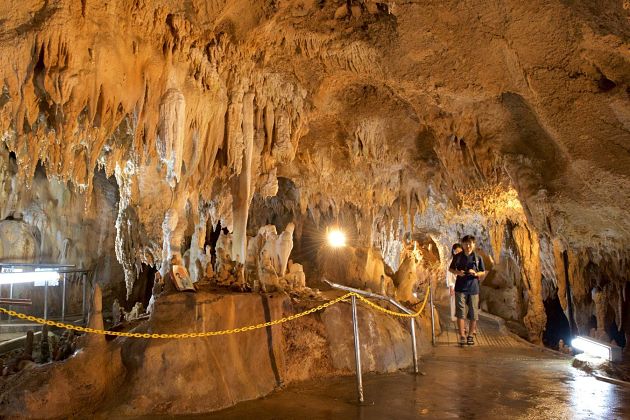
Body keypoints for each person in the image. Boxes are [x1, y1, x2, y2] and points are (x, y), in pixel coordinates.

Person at [448, 235, 486, 346]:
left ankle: (470, 336)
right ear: (463, 244)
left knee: (473, 313)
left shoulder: (478, 258)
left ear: (474, 244)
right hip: (460, 288)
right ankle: (462, 336)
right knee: (460, 313)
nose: (468, 246)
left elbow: (483, 272)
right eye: (465, 243)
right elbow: (450, 268)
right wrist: (458, 273)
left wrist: (475, 273)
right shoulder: (458, 257)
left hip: (473, 288)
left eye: (470, 243)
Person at [445, 243, 463, 321]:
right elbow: (449, 274)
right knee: (454, 302)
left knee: (462, 303)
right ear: (453, 252)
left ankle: (462, 318)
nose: (458, 252)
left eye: (459, 251)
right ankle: (455, 317)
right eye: (456, 251)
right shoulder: (451, 261)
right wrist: (451, 286)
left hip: (463, 284)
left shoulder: (464, 260)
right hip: (455, 284)